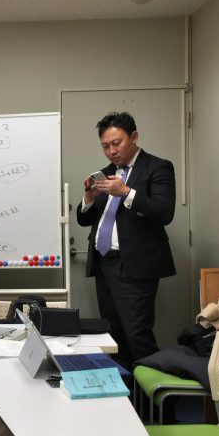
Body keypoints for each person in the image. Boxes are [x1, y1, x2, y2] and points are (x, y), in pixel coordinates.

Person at [77, 112, 176, 370]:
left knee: (138, 334)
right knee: (113, 335)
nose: (111, 151)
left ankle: (152, 393)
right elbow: (84, 220)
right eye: (105, 146)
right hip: (103, 264)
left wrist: (126, 192)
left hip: (135, 265)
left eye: (116, 143)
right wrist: (88, 198)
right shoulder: (106, 174)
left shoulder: (158, 167)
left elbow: (164, 212)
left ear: (134, 137)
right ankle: (125, 389)